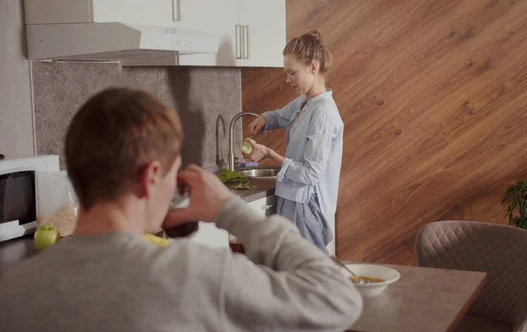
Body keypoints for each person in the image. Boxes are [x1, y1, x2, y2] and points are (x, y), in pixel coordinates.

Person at [0, 88, 362, 332]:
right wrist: (231, 210)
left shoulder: (11, 292)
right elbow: (338, 298)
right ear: (151, 177)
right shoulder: (194, 275)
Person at [246, 30, 343, 254]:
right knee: (293, 275)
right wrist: (264, 119)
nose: (288, 80)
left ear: (313, 67)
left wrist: (270, 154)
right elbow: (280, 116)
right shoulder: (304, 102)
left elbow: (311, 173)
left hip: (306, 207)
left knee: (308, 278)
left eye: (292, 73)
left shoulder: (323, 113)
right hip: (291, 199)